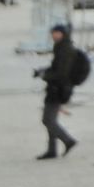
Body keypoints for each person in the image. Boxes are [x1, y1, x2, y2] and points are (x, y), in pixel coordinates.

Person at [35, 23, 80, 160]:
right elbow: (56, 68)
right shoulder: (60, 47)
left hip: (59, 89)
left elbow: (62, 73)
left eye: (56, 33)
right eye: (53, 33)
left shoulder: (65, 49)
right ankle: (52, 150)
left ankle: (68, 140)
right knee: (51, 119)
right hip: (56, 87)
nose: (54, 35)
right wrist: (43, 71)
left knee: (47, 119)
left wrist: (45, 76)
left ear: (62, 33)